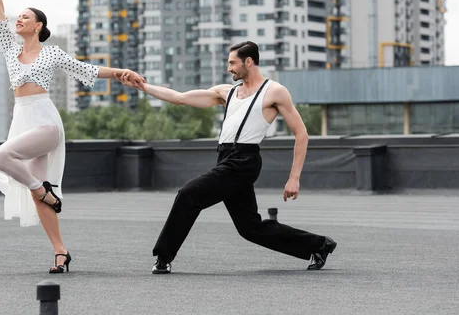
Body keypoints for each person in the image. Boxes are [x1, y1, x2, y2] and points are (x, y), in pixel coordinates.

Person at [0, 0, 144, 274]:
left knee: (1, 160)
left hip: (45, 121)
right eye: (19, 17)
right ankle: (60, 251)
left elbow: (88, 69)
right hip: (22, 121)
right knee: (38, 192)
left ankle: (42, 190)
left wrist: (121, 73)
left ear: (39, 26)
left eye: (26, 17)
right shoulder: (10, 50)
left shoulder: (52, 52)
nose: (19, 20)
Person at [115, 41, 337, 274]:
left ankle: (163, 257)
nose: (229, 68)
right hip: (225, 157)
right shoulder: (227, 92)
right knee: (250, 229)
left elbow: (301, 134)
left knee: (188, 194)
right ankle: (320, 245)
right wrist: (143, 86)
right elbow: (179, 97)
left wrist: (294, 178)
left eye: (232, 62)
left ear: (248, 61)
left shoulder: (275, 92)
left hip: (244, 161)